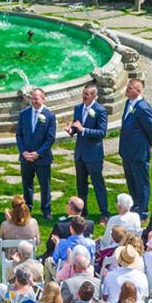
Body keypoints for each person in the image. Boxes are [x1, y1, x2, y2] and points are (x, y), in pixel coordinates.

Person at [58, 83, 110, 216]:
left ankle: (104, 213)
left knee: (98, 184)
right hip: (80, 153)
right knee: (81, 185)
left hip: (93, 154)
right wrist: (71, 130)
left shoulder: (100, 110)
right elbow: (77, 126)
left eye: (87, 94)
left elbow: (101, 132)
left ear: (94, 96)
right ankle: (82, 212)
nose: (84, 97)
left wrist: (84, 130)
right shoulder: (78, 108)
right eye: (83, 94)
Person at [117, 77, 152, 215]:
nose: (127, 88)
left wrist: (151, 142)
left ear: (138, 90)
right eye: (128, 86)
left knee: (141, 182)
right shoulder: (129, 103)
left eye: (131, 87)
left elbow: (151, 129)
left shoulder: (143, 107)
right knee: (131, 181)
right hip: (127, 151)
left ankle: (143, 209)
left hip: (138, 152)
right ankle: (134, 205)